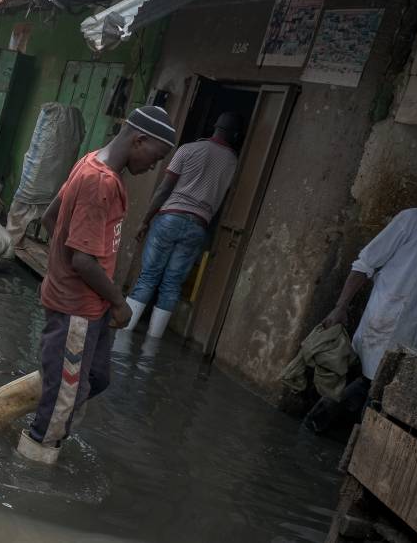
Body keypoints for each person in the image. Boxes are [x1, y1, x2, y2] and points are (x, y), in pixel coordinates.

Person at [18, 106, 177, 464]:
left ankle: (49, 393)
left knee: (96, 378)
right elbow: (83, 260)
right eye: (156, 157)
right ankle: (31, 468)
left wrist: (62, 261)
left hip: (90, 305)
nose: (154, 167)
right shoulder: (100, 181)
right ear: (139, 140)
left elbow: (51, 218)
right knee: (64, 402)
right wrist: (119, 302)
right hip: (77, 306)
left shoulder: (93, 163)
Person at [304, 170, 417, 433]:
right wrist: (340, 306)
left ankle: (326, 432)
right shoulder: (411, 221)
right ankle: (317, 427)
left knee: (379, 384)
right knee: (367, 379)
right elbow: (365, 264)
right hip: (386, 318)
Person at [123, 112, 246, 338]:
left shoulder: (188, 150)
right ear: (235, 135)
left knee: (149, 276)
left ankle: (123, 331)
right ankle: (152, 343)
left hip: (170, 217)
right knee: (172, 284)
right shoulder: (233, 162)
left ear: (213, 126)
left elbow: (164, 189)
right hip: (198, 225)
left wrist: (145, 220)